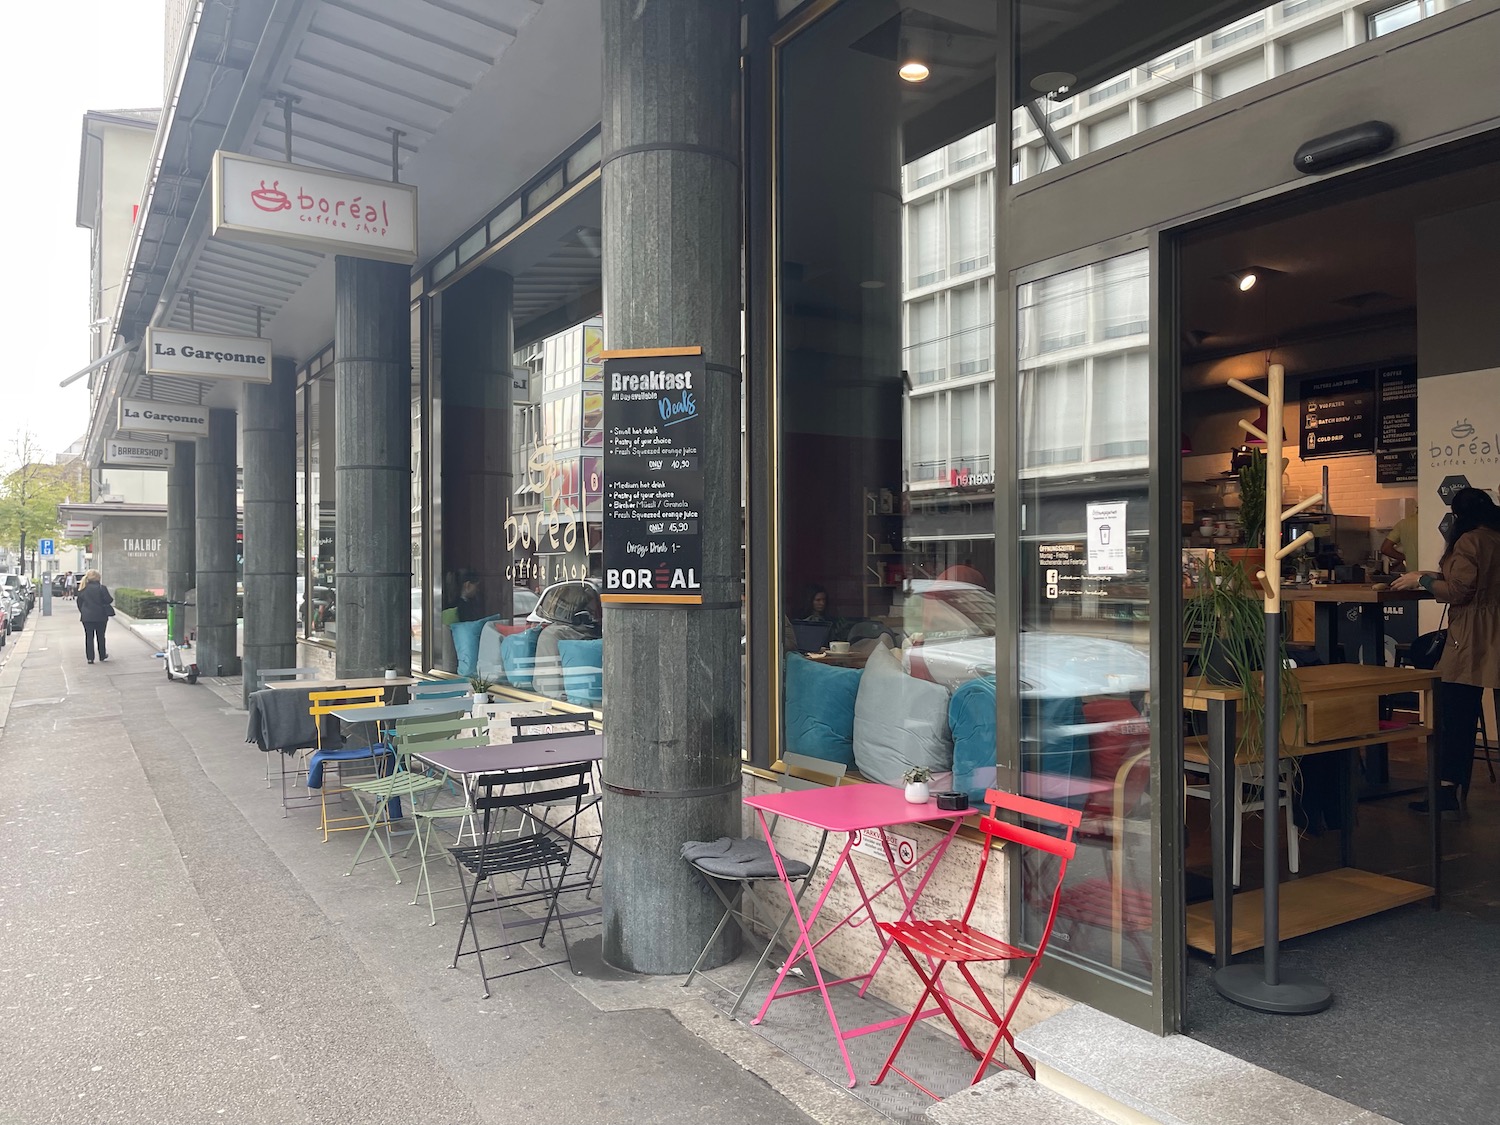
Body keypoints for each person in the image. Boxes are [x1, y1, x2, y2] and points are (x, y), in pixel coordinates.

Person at [1392, 489, 1500, 814]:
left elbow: (1459, 591)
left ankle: (1447, 790)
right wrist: (1425, 576)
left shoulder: (1469, 541)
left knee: (1455, 716)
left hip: (1471, 637)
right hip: (1495, 632)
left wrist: (1424, 581)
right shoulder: (1495, 537)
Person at [76, 569, 114, 665]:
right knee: (101, 636)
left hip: (87, 617)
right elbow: (109, 600)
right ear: (98, 577)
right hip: (101, 616)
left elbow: (79, 603)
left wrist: (84, 612)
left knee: (89, 637)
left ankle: (90, 658)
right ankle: (102, 655)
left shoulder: (83, 589)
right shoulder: (102, 588)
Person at [1381, 508, 1419, 572]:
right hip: (1433, 573)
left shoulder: (1404, 523)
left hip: (1412, 574)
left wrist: (1406, 558)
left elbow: (1385, 548)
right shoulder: (1435, 522)